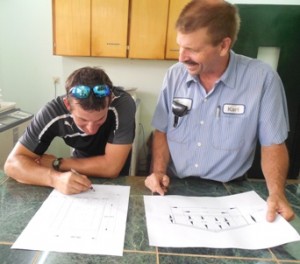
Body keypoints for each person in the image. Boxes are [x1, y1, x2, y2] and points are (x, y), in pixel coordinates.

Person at [145, 0, 295, 222]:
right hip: (175, 187)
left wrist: (276, 193)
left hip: (230, 191)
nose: (181, 57)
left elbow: (272, 144)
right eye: (180, 46)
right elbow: (162, 131)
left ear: (223, 46)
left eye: (193, 50)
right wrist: (158, 172)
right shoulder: (174, 75)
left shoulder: (262, 79)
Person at [4, 66, 136, 195]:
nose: (91, 130)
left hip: (115, 174)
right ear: (67, 104)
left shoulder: (123, 104)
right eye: (83, 120)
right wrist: (54, 178)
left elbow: (111, 167)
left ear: (110, 100)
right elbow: (12, 164)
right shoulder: (52, 112)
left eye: (100, 119)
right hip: (78, 167)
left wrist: (56, 163)